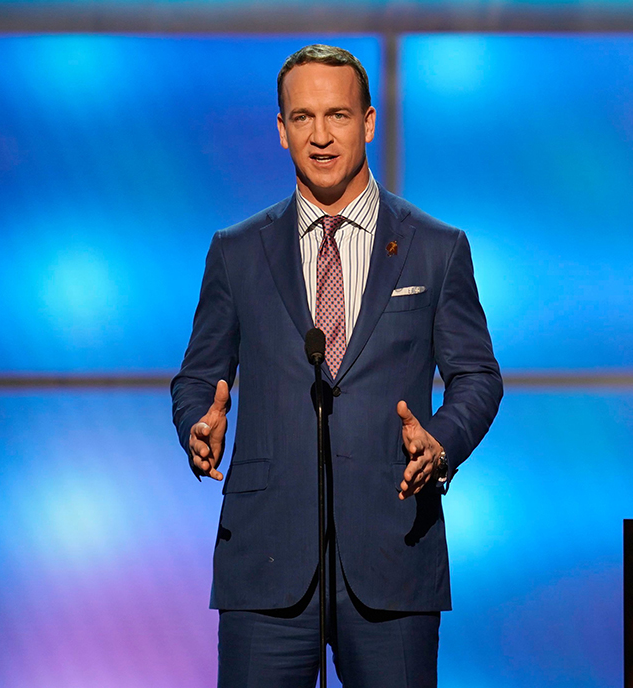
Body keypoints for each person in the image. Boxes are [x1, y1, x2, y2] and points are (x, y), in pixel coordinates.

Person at [170, 44, 503, 687]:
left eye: (338, 115)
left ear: (369, 122)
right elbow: (196, 374)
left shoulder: (436, 249)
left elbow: (478, 376)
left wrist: (442, 438)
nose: (321, 136)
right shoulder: (236, 252)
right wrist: (196, 423)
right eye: (303, 118)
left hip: (394, 552)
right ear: (281, 129)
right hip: (264, 560)